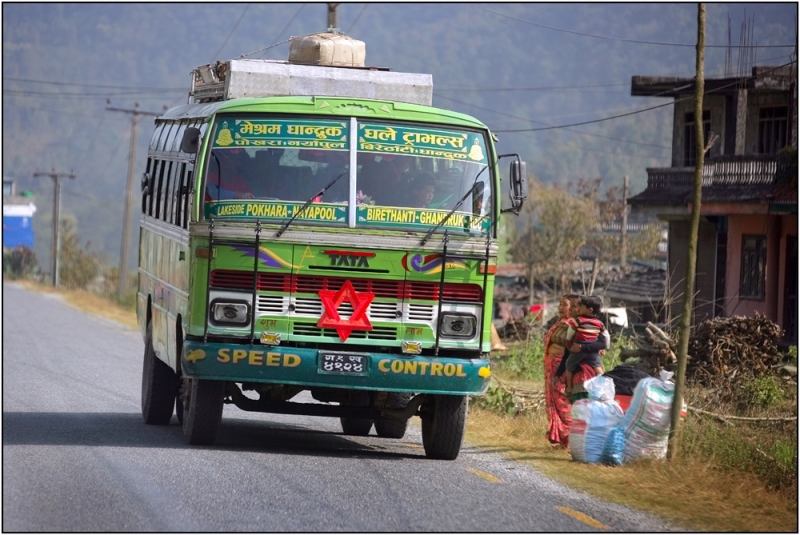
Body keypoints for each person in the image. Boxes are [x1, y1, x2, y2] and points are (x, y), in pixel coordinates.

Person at [542, 294, 580, 448]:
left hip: (561, 366)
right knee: (554, 400)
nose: (560, 307)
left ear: (574, 307)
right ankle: (564, 442)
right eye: (560, 304)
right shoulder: (561, 322)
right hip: (551, 365)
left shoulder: (573, 324)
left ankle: (571, 440)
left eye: (565, 304)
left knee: (562, 400)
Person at [558, 295, 609, 395]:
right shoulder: (599, 323)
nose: (578, 309)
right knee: (598, 367)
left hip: (579, 350)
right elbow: (606, 338)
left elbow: (570, 333)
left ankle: (568, 387)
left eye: (580, 306)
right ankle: (605, 385)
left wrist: (569, 344)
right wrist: (598, 348)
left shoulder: (578, 321)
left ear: (589, 310)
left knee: (569, 366)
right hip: (593, 352)